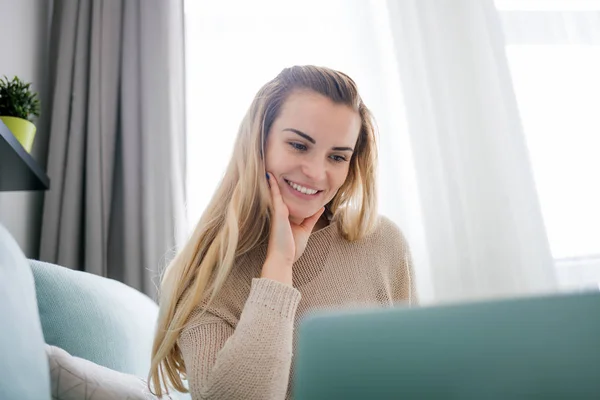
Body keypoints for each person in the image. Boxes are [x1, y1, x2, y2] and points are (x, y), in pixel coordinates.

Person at [148, 65, 417, 399]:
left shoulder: (383, 243)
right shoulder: (208, 278)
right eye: (299, 146)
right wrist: (279, 266)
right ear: (259, 142)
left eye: (337, 156)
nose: (316, 173)